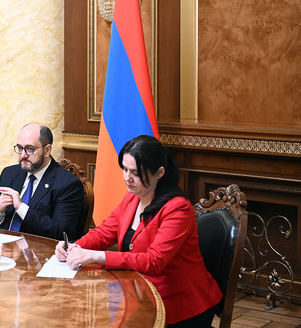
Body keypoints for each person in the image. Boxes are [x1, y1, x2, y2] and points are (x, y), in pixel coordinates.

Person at [55, 135, 222, 327]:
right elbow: (103, 233)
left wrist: (96, 256)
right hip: (138, 291)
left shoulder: (177, 208)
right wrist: (74, 247)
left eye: (135, 173)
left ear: (159, 173)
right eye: (125, 169)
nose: (127, 178)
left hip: (180, 303)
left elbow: (154, 261)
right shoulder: (133, 197)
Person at [0, 122, 83, 240]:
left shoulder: (67, 184)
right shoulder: (9, 174)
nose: (23, 155)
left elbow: (61, 232)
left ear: (47, 150)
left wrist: (21, 207)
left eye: (30, 149)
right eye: (20, 148)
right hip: (2, 245)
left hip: (38, 249)